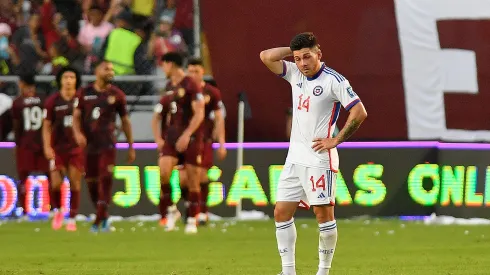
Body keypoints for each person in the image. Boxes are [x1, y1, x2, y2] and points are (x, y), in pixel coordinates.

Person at [260, 32, 368, 275]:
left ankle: (323, 271)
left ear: (319, 54)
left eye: (306, 57)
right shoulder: (295, 73)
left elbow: (359, 112)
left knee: (323, 215)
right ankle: (288, 271)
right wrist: (292, 50)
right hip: (294, 157)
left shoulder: (334, 81)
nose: (302, 64)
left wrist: (336, 140)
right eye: (297, 59)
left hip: (319, 158)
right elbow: (265, 56)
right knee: (281, 212)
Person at [72, 60, 135, 232]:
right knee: (91, 182)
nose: (110, 72)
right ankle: (104, 216)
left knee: (106, 178)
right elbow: (76, 117)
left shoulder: (117, 95)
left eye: (112, 70)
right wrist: (77, 133)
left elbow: (125, 121)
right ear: (97, 71)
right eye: (107, 69)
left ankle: (97, 221)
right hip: (89, 145)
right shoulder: (84, 93)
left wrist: (131, 146)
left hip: (107, 144)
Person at [151, 52, 204, 234]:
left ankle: (191, 220)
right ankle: (172, 210)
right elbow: (157, 116)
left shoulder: (191, 84)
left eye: (163, 65)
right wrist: (158, 138)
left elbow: (199, 112)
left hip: (191, 138)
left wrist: (187, 134)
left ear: (171, 65)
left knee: (191, 180)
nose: (162, 69)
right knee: (164, 173)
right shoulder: (168, 86)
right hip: (171, 138)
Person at [186, 58, 226, 225]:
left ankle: (202, 212)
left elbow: (219, 118)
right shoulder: (183, 90)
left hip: (203, 140)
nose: (193, 74)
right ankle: (190, 207)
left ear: (203, 72)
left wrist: (221, 142)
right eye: (190, 71)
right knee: (184, 178)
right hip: (185, 140)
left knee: (201, 176)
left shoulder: (211, 92)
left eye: (196, 71)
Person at [42, 67, 83, 231]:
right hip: (57, 148)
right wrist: (46, 146)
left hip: (75, 148)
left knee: (75, 182)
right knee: (56, 183)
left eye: (71, 77)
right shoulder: (53, 101)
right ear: (60, 80)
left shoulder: (80, 100)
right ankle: (58, 210)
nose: (68, 80)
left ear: (76, 80)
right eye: (65, 77)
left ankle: (72, 218)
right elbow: (46, 126)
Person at [12, 74, 49, 217]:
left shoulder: (18, 102)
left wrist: (17, 145)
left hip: (26, 143)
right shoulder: (45, 99)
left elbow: (17, 127)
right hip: (43, 143)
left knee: (23, 179)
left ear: (21, 83)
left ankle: (25, 212)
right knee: (50, 177)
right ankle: (53, 210)